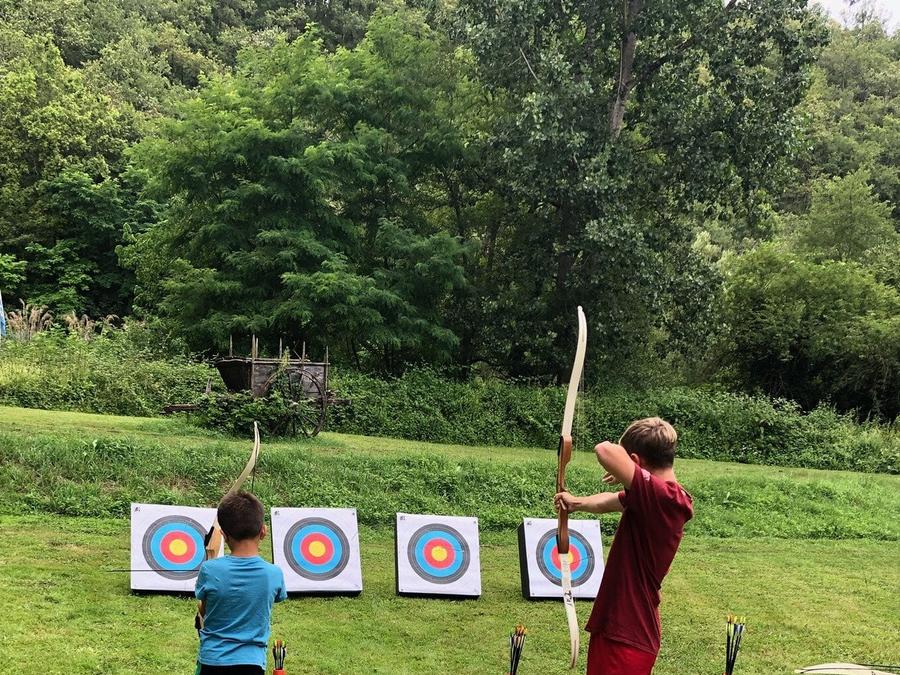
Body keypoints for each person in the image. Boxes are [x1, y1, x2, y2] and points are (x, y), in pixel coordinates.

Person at [555, 417, 693, 675]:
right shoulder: (653, 497)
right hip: (620, 626)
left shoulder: (665, 497)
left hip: (628, 633)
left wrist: (624, 467)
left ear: (635, 460)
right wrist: (576, 503)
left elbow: (604, 450)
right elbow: (611, 501)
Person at [195, 491, 287, 675]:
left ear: (223, 535)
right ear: (263, 531)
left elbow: (203, 610)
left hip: (212, 661)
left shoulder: (209, 569)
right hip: (252, 664)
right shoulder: (274, 574)